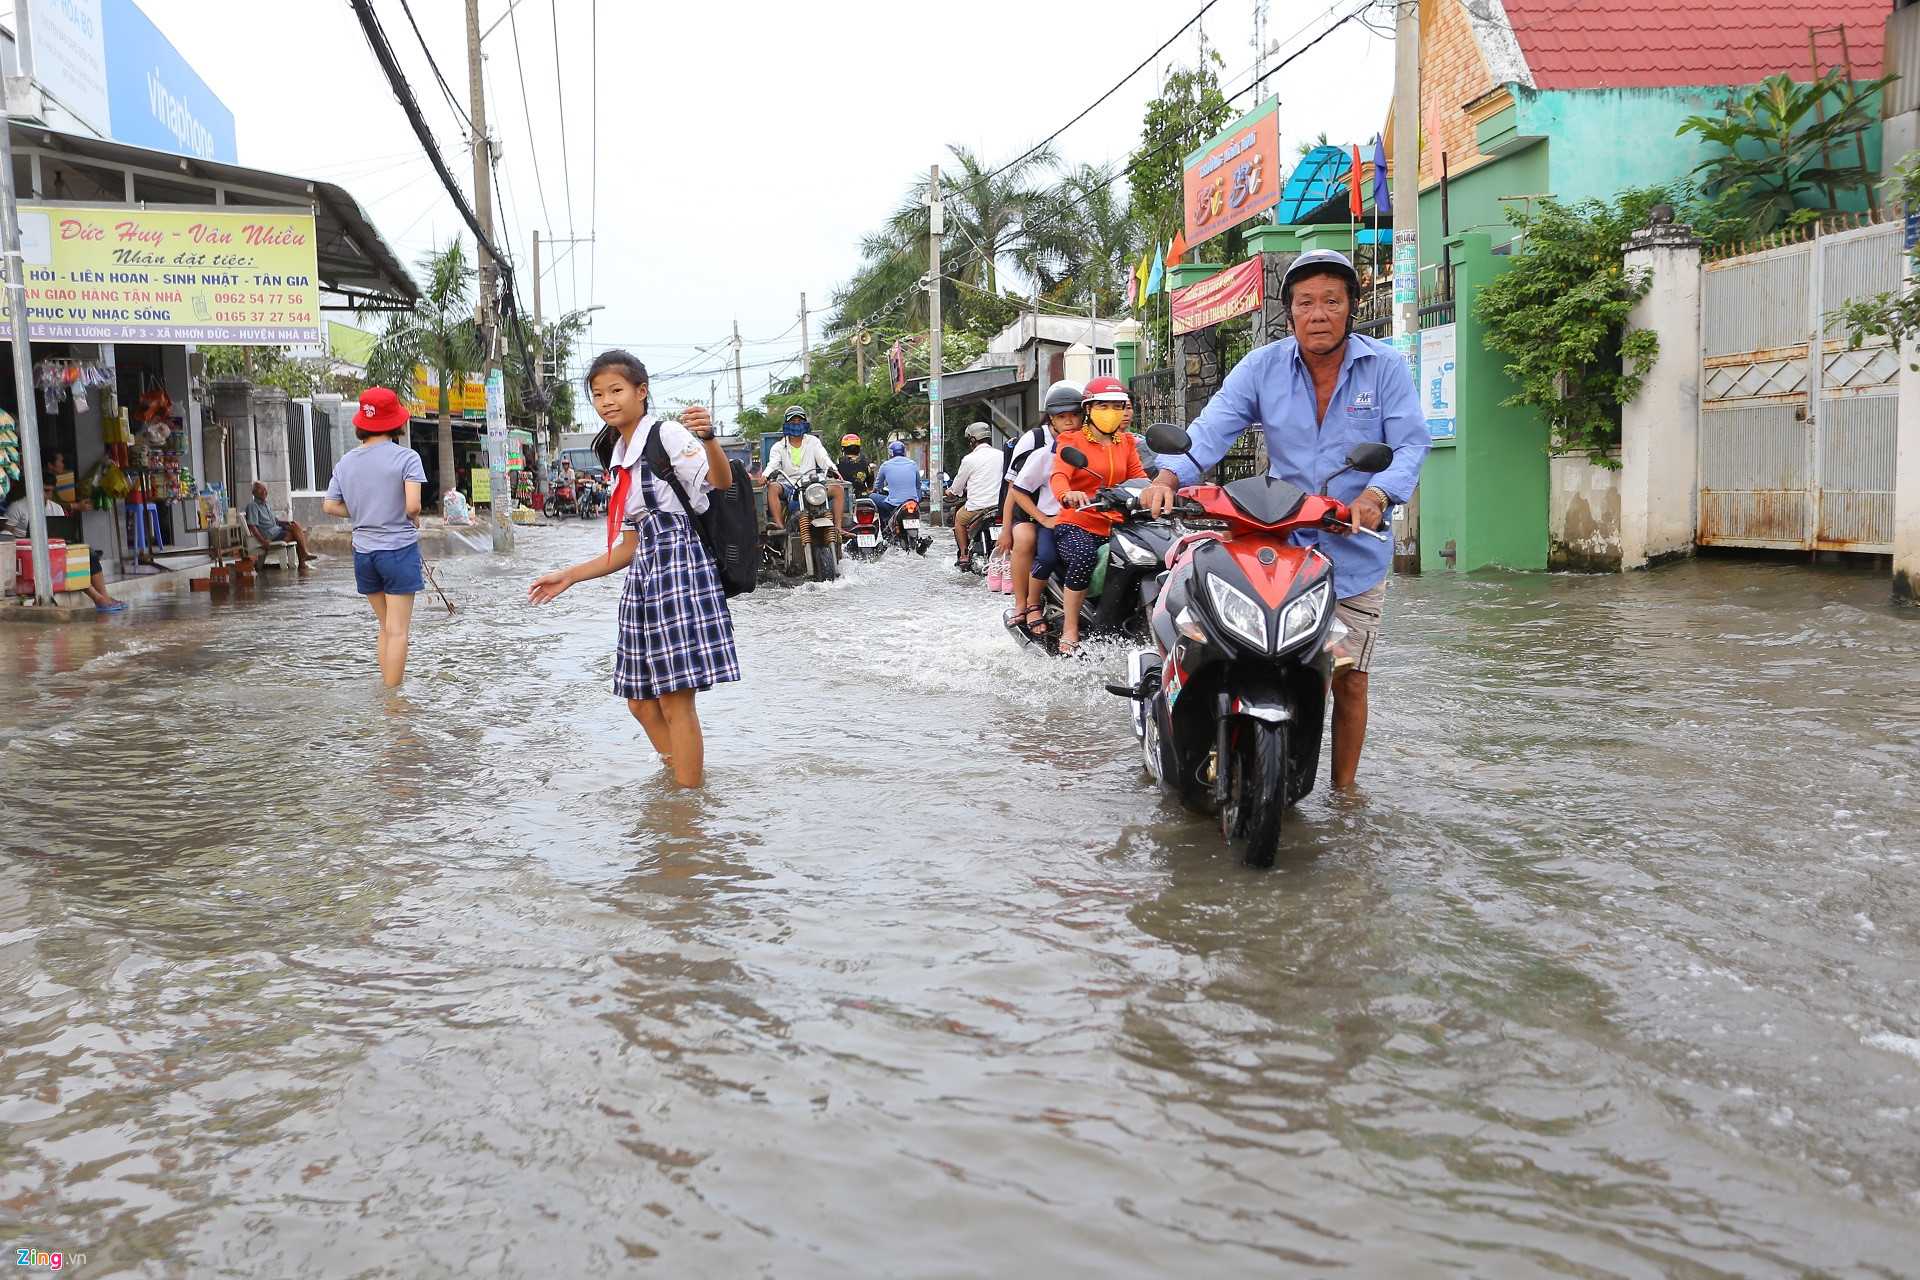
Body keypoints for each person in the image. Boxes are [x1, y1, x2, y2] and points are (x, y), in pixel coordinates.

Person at [1141, 248, 1429, 788]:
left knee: (1350, 681)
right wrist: (1167, 479)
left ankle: (1345, 800)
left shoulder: (1385, 366)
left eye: (1331, 302)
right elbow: (1210, 430)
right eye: (1305, 303)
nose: (1318, 314)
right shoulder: (1261, 367)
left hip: (1352, 547)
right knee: (1221, 643)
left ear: (1352, 308)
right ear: (1290, 312)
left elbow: (1410, 445)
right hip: (1273, 542)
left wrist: (1377, 495)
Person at [528, 352, 738, 788]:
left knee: (676, 702)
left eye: (616, 390)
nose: (607, 401)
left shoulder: (668, 434)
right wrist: (569, 575)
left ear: (642, 391)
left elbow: (721, 482)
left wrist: (711, 438)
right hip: (644, 576)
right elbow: (628, 545)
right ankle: (681, 782)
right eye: (598, 394)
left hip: (680, 568)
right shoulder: (618, 455)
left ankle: (687, 810)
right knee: (641, 702)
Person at [323, 387, 427, 687]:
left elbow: (329, 505)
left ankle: (387, 693)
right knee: (397, 630)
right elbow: (412, 506)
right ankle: (394, 705)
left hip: (363, 554)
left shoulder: (346, 462)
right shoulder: (407, 458)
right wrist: (413, 517)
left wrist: (362, 512)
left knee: (385, 627)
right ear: (396, 422)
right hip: (397, 551)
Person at [1049, 378, 1147, 655]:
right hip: (1078, 521)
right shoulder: (1071, 440)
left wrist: (1158, 493)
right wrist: (1068, 494)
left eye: (1118, 406)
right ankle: (1070, 628)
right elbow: (1059, 475)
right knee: (1084, 557)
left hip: (1118, 523)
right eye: (1103, 405)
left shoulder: (1126, 441)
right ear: (1088, 409)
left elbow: (1139, 478)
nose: (1111, 411)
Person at [997, 380, 1083, 638]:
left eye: (1075, 414)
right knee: (1025, 538)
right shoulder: (1036, 441)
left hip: (1072, 510)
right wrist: (1005, 528)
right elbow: (1015, 486)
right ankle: (1024, 604)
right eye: (1061, 415)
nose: (1069, 421)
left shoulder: (1089, 437)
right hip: (1031, 507)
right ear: (1052, 418)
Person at [4, 479, 125, 610]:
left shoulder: (56, 507)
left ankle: (104, 595)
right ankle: (97, 598)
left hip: (54, 546)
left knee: (89, 553)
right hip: (28, 550)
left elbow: (63, 533)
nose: (46, 494)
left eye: (49, 491)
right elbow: (6, 536)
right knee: (66, 562)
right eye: (43, 490)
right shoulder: (17, 507)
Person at [763, 408, 845, 533]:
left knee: (838, 490)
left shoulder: (813, 441)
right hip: (789, 485)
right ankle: (780, 527)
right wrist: (766, 475)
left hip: (811, 485)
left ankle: (838, 529)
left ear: (805, 423)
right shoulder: (778, 447)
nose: (796, 424)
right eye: (792, 422)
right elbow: (772, 464)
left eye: (800, 421)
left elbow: (823, 458)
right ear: (786, 425)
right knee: (773, 487)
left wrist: (833, 469)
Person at [945, 422, 1002, 568]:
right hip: (1000, 507)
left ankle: (964, 555)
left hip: (978, 508)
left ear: (972, 440)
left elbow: (957, 487)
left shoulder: (969, 459)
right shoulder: (1001, 455)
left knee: (958, 519)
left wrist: (950, 493)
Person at [243, 480, 315, 565]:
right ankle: (303, 560)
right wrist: (262, 540)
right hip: (268, 533)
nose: (264, 492)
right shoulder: (253, 506)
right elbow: (252, 525)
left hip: (276, 529)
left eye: (265, 489)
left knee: (295, 526)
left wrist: (288, 522)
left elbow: (275, 520)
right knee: (297, 536)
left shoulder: (266, 504)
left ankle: (304, 555)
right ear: (253, 493)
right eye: (260, 490)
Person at [871, 440, 922, 528]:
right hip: (912, 502)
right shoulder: (913, 464)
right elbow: (918, 485)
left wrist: (872, 491)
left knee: (872, 496)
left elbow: (877, 486)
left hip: (894, 504)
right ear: (904, 452)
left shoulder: (885, 465)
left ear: (890, 453)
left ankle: (885, 526)